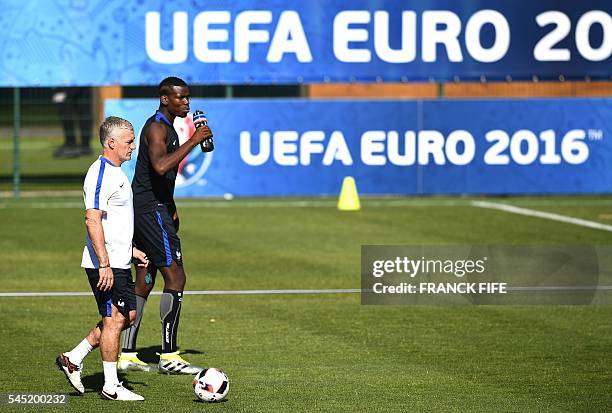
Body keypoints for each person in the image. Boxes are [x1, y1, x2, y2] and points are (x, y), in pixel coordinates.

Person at [118, 77, 213, 374]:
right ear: (164, 99)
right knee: (176, 277)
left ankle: (127, 353)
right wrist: (193, 141)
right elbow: (160, 166)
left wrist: (171, 208)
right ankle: (169, 355)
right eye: (180, 98)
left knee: (145, 277)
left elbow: (157, 178)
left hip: (152, 209)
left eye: (187, 98)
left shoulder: (165, 126)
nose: (186, 102)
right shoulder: (157, 127)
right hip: (150, 211)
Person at [56, 116, 149, 401]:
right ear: (111, 143)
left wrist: (129, 250)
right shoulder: (99, 173)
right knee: (114, 320)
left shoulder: (117, 172)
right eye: (129, 141)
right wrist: (105, 263)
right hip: (105, 265)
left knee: (127, 316)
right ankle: (111, 386)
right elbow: (92, 219)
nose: (133, 146)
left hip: (118, 259)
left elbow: (113, 221)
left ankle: (73, 357)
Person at [52, 87, 93, 158]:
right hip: (84, 80)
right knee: (84, 107)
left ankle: (71, 144)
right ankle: (85, 145)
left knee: (65, 107)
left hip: (65, 81)